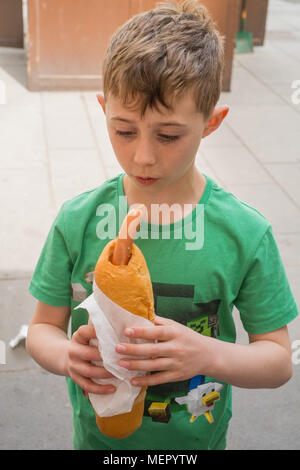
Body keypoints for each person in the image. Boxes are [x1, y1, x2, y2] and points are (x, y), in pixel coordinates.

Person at [26, 0, 298, 450]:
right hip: (99, 442)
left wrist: (207, 352)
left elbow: (277, 361)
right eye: (124, 130)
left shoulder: (245, 235)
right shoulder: (78, 221)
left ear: (211, 123)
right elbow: (41, 330)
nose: (143, 156)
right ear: (103, 109)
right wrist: (67, 356)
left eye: (168, 135)